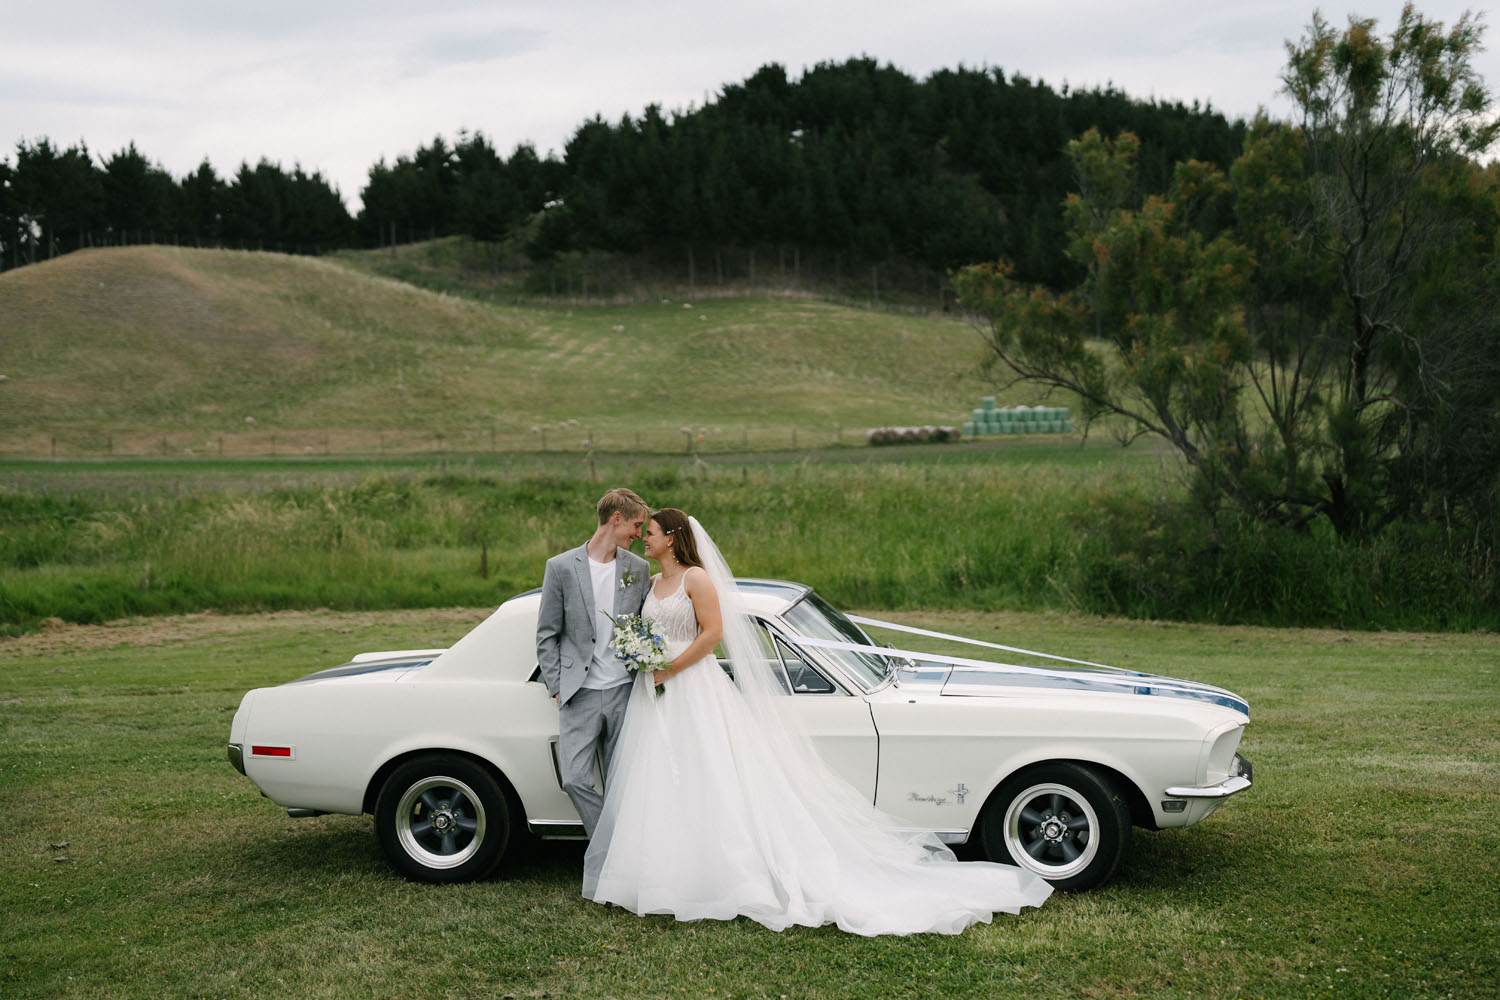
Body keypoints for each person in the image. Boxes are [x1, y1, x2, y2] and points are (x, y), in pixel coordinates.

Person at [582, 508, 1053, 935]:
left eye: (652, 533)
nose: (645, 538)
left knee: (711, 777)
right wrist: (645, 661)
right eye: (644, 532)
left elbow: (714, 635)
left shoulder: (696, 579)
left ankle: (723, 872)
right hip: (654, 692)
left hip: (691, 688)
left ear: (674, 537)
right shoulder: (648, 584)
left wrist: (670, 667)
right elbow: (639, 628)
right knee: (660, 780)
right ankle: (664, 873)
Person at [535, 488, 652, 838]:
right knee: (574, 778)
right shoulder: (560, 567)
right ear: (616, 519)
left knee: (623, 782)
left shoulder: (639, 568)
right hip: (579, 693)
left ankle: (613, 864)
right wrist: (557, 686)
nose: (639, 534)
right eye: (636, 524)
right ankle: (610, 845)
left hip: (624, 691)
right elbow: (546, 634)